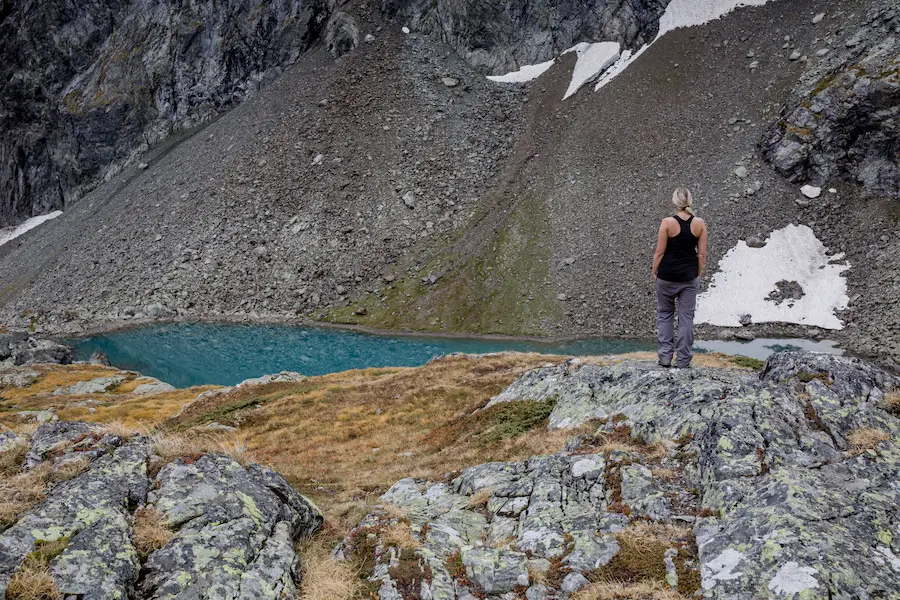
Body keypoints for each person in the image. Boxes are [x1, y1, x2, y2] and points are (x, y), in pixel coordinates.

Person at [651, 187, 707, 368]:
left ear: (675, 202)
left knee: (665, 315)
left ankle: (665, 357)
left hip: (666, 276)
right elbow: (702, 255)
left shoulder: (667, 223)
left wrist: (654, 270)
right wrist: (697, 272)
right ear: (689, 201)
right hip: (688, 277)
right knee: (686, 318)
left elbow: (659, 252)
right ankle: (683, 360)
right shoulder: (699, 223)